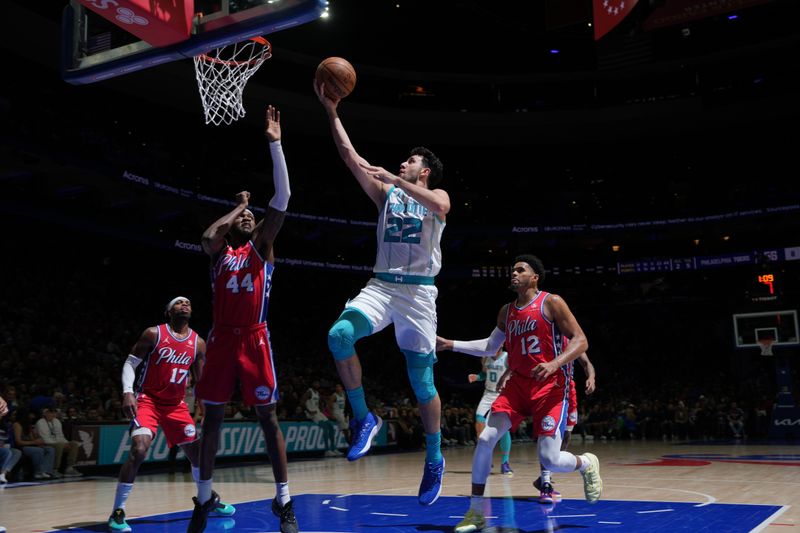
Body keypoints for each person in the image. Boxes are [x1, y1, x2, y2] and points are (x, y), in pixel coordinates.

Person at [315, 79, 449, 506]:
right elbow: (349, 156)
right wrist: (331, 109)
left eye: (410, 161)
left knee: (421, 382)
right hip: (382, 284)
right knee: (338, 336)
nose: (402, 163)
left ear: (422, 170)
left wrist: (397, 179)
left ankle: (434, 458)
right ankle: (363, 417)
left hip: (419, 296)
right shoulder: (386, 193)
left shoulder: (436, 195)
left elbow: (441, 206)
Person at [436, 255, 603, 532]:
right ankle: (475, 512)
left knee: (549, 458)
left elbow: (581, 340)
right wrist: (451, 344)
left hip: (550, 387)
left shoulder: (552, 302)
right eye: (512, 269)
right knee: (486, 438)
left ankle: (586, 463)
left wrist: (554, 363)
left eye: (520, 269)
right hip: (517, 385)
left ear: (534, 276)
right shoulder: (507, 311)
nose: (513, 273)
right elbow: (491, 347)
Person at [188, 105, 296, 533]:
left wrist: (275, 145)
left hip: (254, 338)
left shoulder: (261, 248)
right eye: (244, 219)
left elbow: (283, 199)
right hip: (220, 341)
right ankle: (202, 499)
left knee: (268, 419)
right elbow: (207, 237)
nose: (250, 218)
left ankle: (283, 500)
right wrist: (237, 208)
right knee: (212, 419)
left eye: (253, 217)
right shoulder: (221, 253)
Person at [108, 297, 235, 532]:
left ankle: (207, 499)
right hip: (148, 400)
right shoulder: (153, 334)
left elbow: (202, 380)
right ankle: (117, 511)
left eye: (188, 302)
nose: (185, 304)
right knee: (139, 449)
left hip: (176, 406)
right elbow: (130, 363)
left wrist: (206, 408)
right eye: (178, 303)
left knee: (198, 455)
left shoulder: (198, 343)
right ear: (169, 311)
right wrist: (128, 392)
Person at [533, 350, 596, 503]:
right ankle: (545, 483)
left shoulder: (572, 340)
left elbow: (587, 363)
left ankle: (544, 478)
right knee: (548, 434)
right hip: (550, 391)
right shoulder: (546, 337)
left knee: (565, 437)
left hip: (569, 391)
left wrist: (592, 377)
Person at [467, 347, 513, 476]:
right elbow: (484, 374)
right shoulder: (485, 358)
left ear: (501, 345)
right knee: (479, 421)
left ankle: (505, 463)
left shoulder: (507, 357)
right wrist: (477, 377)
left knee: (504, 429)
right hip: (488, 394)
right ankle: (486, 457)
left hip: (503, 395)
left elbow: (514, 372)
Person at [35, 407, 82, 477]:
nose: (52, 414)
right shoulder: (40, 422)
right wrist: (61, 444)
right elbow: (44, 438)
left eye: (53, 412)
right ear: (45, 414)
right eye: (50, 412)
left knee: (74, 444)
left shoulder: (56, 421)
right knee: (60, 445)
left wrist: (66, 442)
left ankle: (69, 468)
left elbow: (60, 435)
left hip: (58, 442)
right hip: (46, 443)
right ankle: (55, 469)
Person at [301, 380, 340, 457]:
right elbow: (302, 401)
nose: (317, 384)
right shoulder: (309, 391)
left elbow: (319, 404)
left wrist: (322, 411)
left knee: (331, 426)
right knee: (325, 427)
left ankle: (333, 449)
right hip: (312, 413)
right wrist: (308, 411)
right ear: (312, 383)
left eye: (318, 383)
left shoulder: (317, 393)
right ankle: (327, 450)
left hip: (318, 412)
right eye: (316, 383)